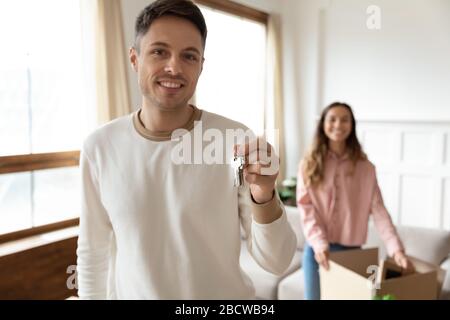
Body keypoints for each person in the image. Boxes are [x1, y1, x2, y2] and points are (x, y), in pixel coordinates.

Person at [76, 0, 296, 299]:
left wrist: (264, 194)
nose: (174, 67)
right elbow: (93, 252)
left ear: (201, 65)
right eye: (159, 52)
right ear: (134, 59)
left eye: (189, 56)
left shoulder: (233, 138)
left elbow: (276, 260)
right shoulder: (99, 147)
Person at [296, 102, 414, 300]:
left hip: (351, 254)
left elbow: (379, 212)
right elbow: (305, 207)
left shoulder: (366, 168)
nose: (338, 124)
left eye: (345, 120)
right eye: (332, 119)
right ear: (323, 124)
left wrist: (397, 250)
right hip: (316, 252)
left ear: (352, 125)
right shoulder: (308, 164)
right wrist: (319, 243)